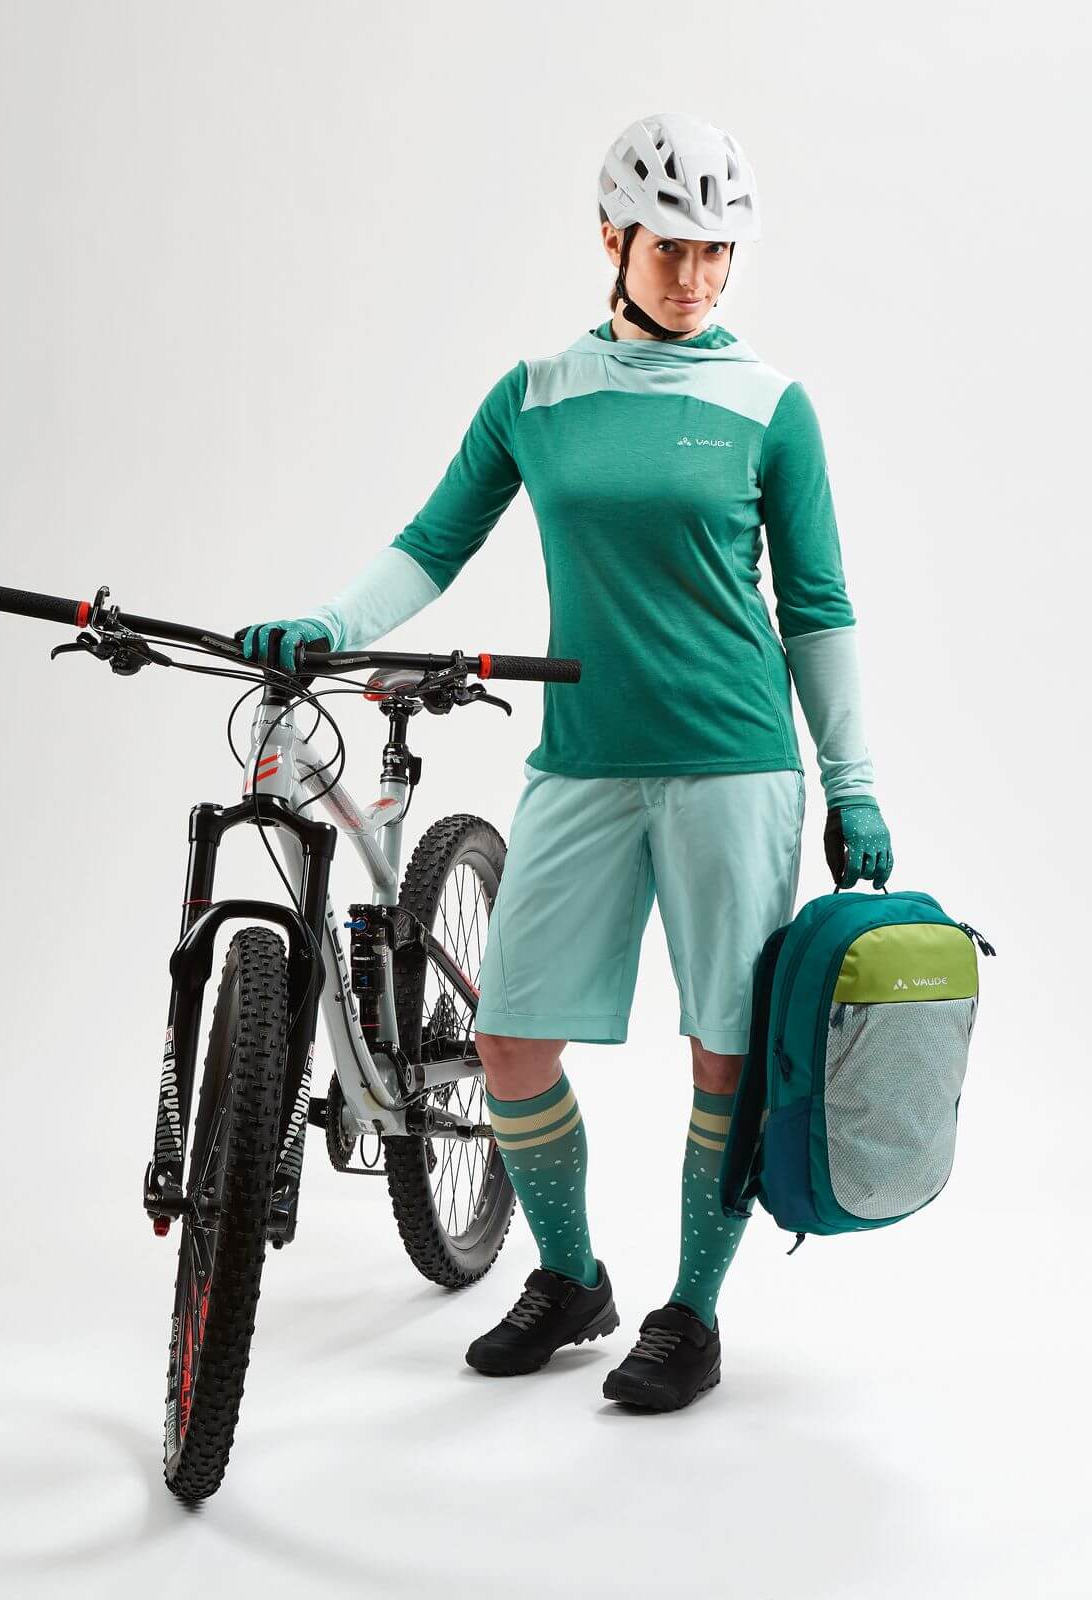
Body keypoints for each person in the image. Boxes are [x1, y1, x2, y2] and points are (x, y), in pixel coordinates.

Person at [240, 112, 894, 1413]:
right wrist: (327, 623)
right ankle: (573, 1276)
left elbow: (818, 607)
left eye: (718, 251)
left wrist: (855, 781)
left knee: (724, 1052)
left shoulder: (772, 406)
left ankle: (691, 1312)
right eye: (672, 248)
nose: (697, 275)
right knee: (508, 1038)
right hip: (583, 765)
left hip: (735, 764)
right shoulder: (535, 395)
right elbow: (431, 544)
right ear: (612, 238)